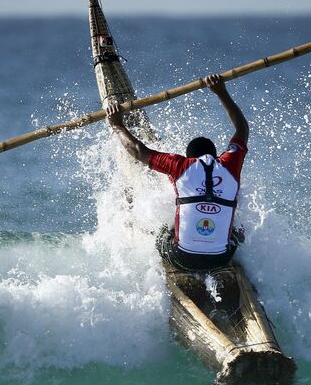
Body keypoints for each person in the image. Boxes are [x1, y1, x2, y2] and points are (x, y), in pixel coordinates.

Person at [105, 73, 249, 272]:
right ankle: (218, 247)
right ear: (216, 156)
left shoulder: (180, 166)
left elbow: (137, 150)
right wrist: (220, 92)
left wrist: (116, 125)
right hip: (222, 259)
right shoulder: (230, 164)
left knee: (163, 232)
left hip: (183, 258)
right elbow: (242, 129)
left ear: (189, 157)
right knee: (239, 230)